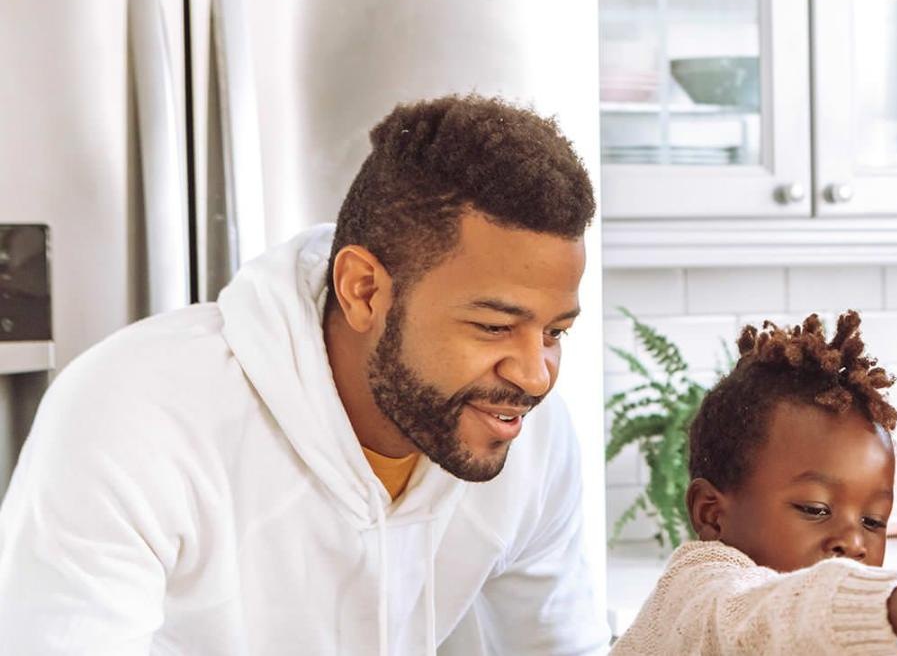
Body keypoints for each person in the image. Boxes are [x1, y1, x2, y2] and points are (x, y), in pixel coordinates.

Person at [0, 95, 605, 653]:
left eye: (555, 332)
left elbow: (558, 645)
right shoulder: (133, 416)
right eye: (495, 327)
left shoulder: (524, 437)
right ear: (363, 291)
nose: (534, 377)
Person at [612, 313, 897, 656]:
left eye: (874, 521)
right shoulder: (700, 593)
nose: (854, 542)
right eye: (815, 508)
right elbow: (762, 619)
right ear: (711, 514)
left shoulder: (855, 634)